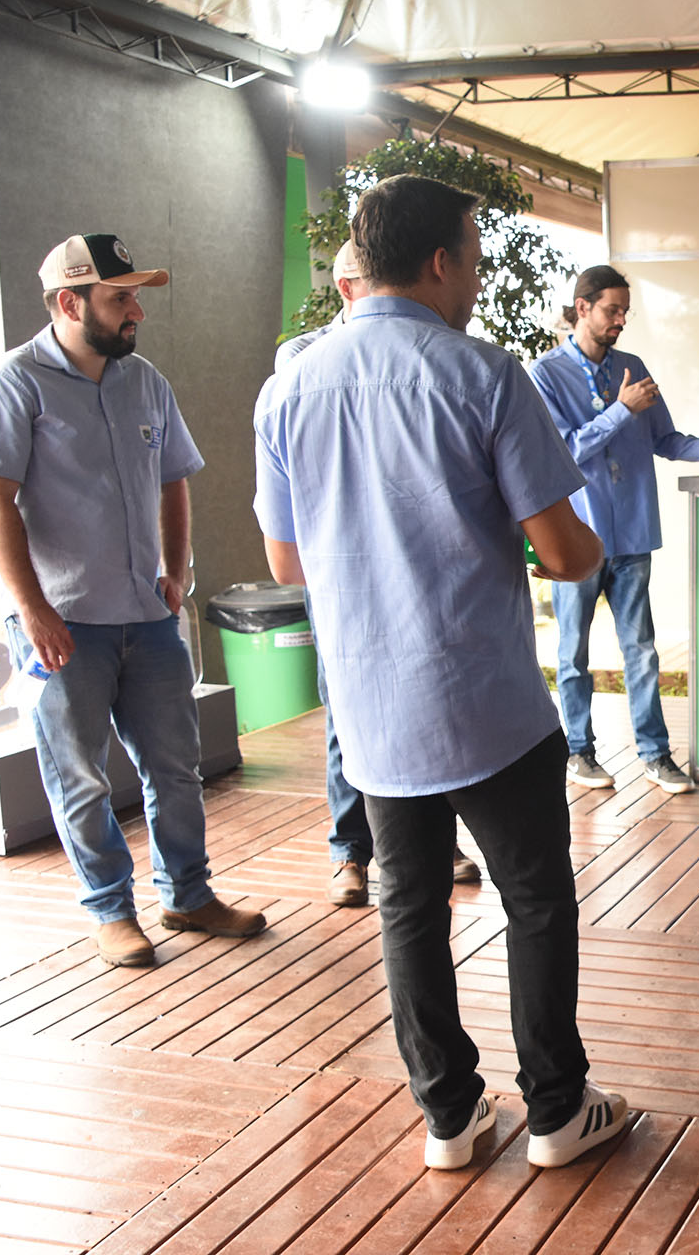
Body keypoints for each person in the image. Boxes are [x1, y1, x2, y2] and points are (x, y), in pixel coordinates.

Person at [254, 173, 628, 1172]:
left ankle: (450, 1120)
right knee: (534, 899)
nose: (477, 278)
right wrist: (576, 546)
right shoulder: (483, 374)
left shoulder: (288, 386)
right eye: (473, 257)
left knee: (408, 904)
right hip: (486, 701)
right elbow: (565, 553)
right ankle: (556, 1111)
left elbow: (287, 563)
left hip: (371, 708)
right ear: (437, 262)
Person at [0, 233, 267, 966]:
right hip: (63, 623)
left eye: (136, 297)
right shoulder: (12, 383)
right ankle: (110, 910)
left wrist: (175, 570)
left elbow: (174, 478)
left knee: (177, 769)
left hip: (148, 614)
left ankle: (187, 895)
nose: (137, 312)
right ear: (70, 303)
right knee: (80, 776)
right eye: (121, 298)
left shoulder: (146, 381)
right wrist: (33, 609)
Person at [272, 239, 480, 906]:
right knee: (348, 710)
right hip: (343, 570)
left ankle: (436, 839)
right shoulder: (302, 358)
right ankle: (349, 851)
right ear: (346, 288)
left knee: (432, 694)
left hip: (416, 560)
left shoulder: (437, 353)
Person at [528, 265, 699, 795]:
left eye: (625, 312)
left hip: (632, 534)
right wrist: (619, 411)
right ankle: (579, 751)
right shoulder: (545, 375)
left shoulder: (633, 368)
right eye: (612, 310)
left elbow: (667, 439)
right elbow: (561, 452)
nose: (621, 321)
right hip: (576, 536)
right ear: (582, 308)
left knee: (642, 651)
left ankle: (655, 755)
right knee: (573, 653)